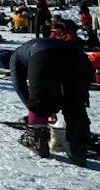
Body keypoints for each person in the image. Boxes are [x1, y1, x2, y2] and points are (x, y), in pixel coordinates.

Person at [9, 37, 93, 165]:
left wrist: (36, 109)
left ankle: (37, 141)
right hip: (80, 58)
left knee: (39, 101)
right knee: (75, 104)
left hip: (44, 56)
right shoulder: (30, 49)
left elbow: (19, 86)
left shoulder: (15, 57)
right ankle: (79, 149)